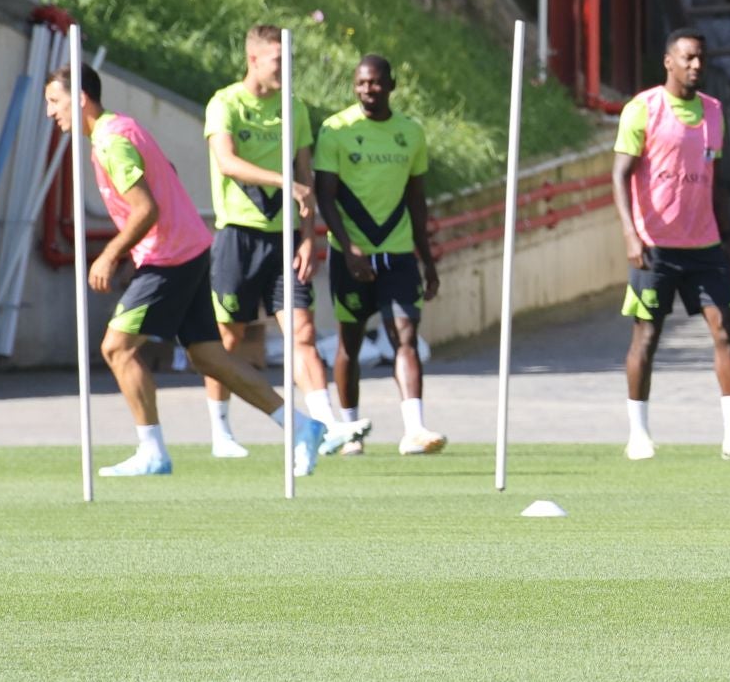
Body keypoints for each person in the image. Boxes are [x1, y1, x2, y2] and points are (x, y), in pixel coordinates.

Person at [43, 66, 328, 477]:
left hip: (170, 256)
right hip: (191, 246)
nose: (50, 112)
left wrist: (109, 255)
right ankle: (302, 427)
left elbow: (146, 209)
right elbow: (168, 172)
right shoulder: (125, 127)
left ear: (82, 97)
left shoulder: (110, 140)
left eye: (55, 101)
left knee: (116, 347)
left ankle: (153, 452)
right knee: (209, 355)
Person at [203, 24, 368, 459]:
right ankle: (220, 432)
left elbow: (306, 178)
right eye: (279, 61)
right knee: (228, 340)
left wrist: (307, 238)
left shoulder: (293, 107)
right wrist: (283, 183)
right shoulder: (225, 104)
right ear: (254, 59)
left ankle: (328, 426)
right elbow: (226, 161)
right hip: (238, 237)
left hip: (285, 241)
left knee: (303, 333)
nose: (285, 69)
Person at [611, 27, 730, 462]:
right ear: (668, 62)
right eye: (688, 58)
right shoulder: (643, 109)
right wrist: (630, 233)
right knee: (648, 335)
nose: (696, 66)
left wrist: (728, 238)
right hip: (655, 246)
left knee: (725, 332)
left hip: (705, 245)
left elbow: (715, 182)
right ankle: (638, 433)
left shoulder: (713, 111)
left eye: (701, 59)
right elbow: (619, 175)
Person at [313, 55, 445, 457]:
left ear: (391, 84)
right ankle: (351, 429)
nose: (367, 90)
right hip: (350, 257)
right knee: (349, 343)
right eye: (360, 83)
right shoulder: (336, 130)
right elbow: (325, 196)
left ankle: (415, 429)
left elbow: (416, 201)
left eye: (374, 83)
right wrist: (350, 247)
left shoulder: (410, 133)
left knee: (405, 336)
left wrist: (428, 260)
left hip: (399, 255)